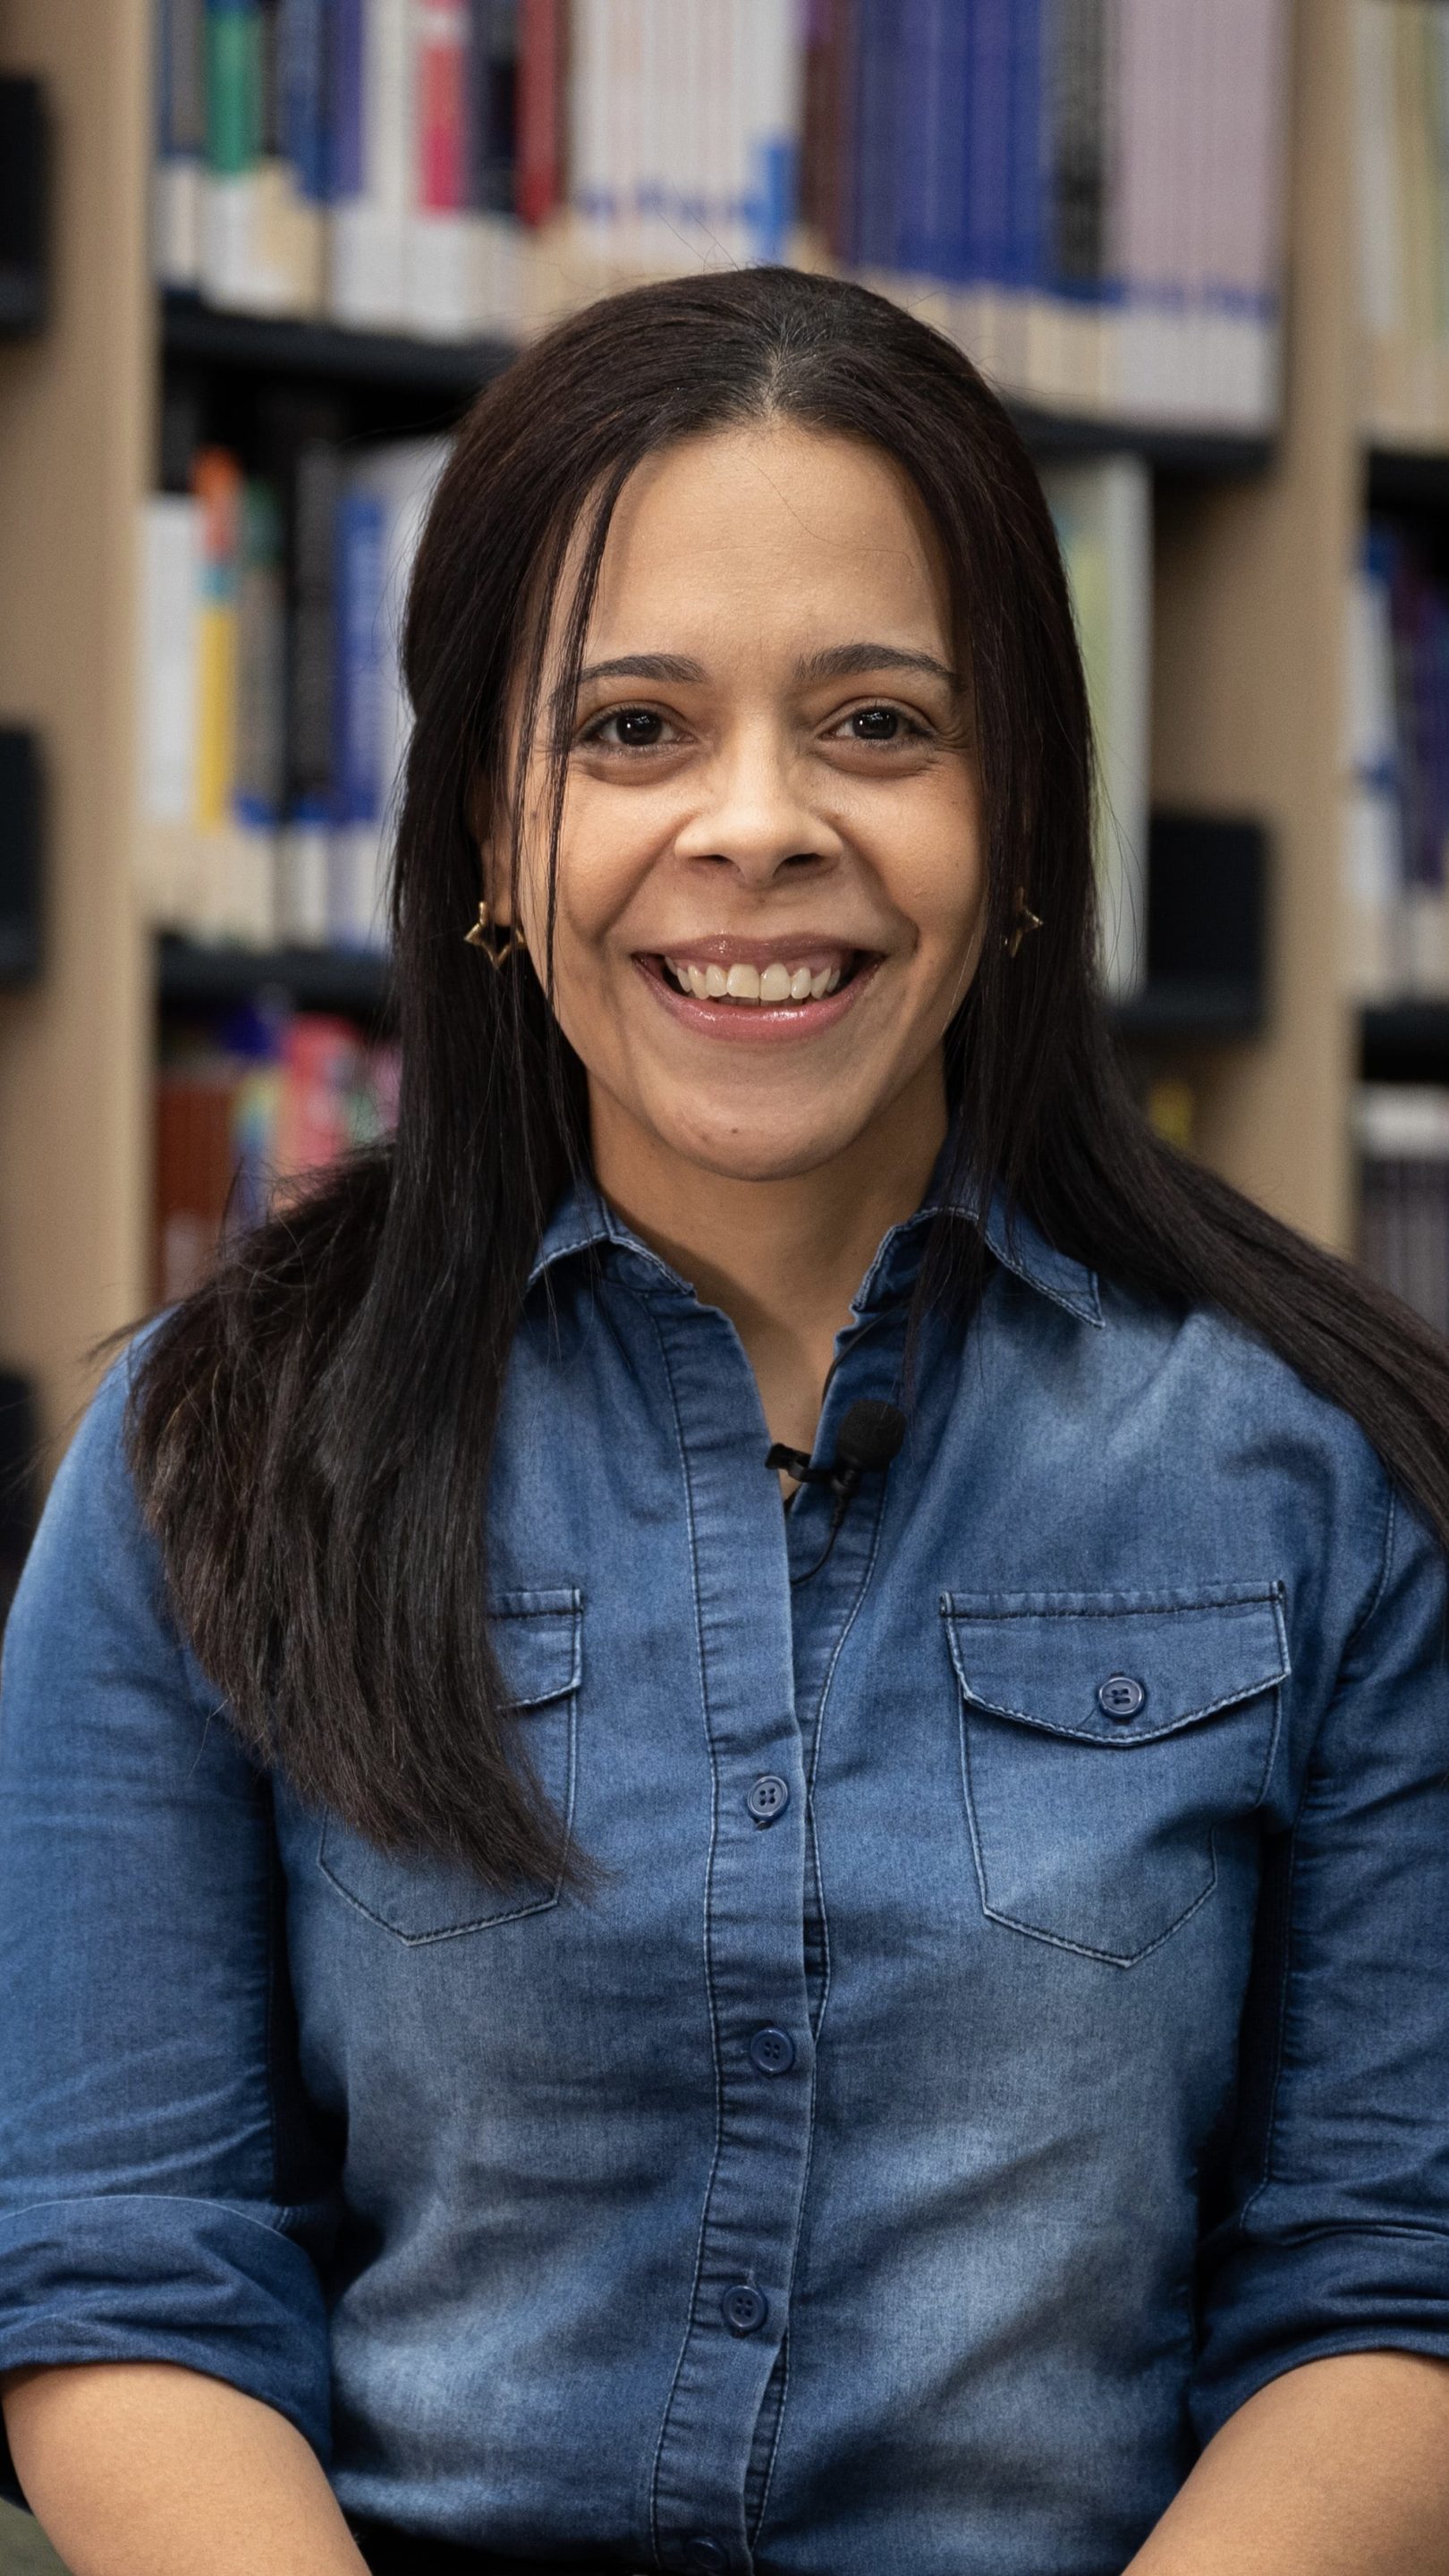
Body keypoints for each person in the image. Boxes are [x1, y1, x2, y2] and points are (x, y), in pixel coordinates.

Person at [3, 267, 1449, 2576]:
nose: (755, 826)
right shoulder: (218, 1449)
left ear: (1017, 813)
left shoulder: (1320, 1478)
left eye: (876, 724)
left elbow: (1386, 2294)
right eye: (631, 731)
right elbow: (121, 2269)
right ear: (490, 832)